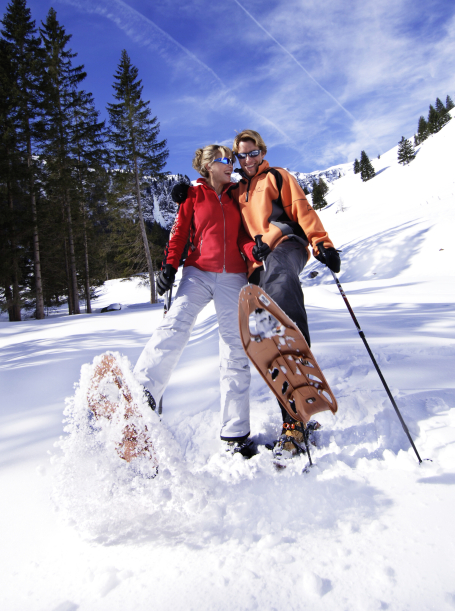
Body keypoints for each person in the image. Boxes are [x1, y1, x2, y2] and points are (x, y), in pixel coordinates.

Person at [134, 144, 257, 458]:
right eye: (225, 159)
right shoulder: (192, 195)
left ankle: (236, 433)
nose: (232, 163)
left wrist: (253, 255)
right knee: (176, 323)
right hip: (198, 272)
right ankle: (143, 391)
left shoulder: (237, 193)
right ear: (208, 166)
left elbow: (244, 234)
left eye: (232, 159)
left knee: (236, 349)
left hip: (234, 276)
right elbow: (178, 233)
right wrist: (169, 267)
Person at [231, 129, 341, 455]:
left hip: (287, 246)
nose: (248, 160)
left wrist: (322, 243)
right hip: (257, 264)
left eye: (253, 153)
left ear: (262, 152)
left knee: (280, 282)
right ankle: (293, 413)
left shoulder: (277, 177)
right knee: (264, 331)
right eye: (242, 156)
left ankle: (296, 352)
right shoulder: (237, 191)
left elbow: (301, 210)